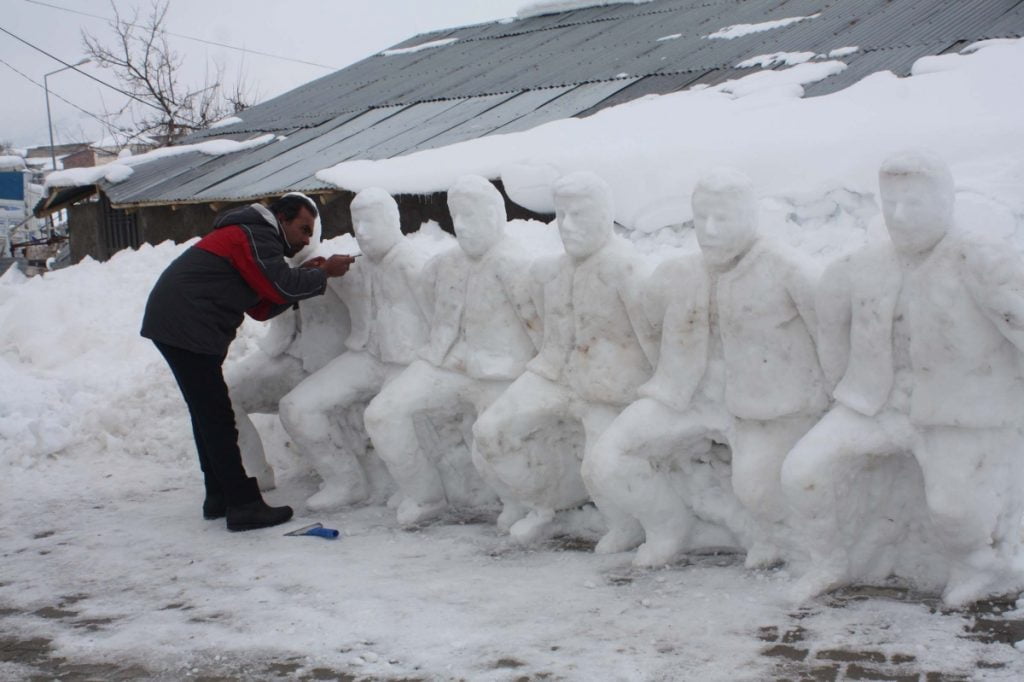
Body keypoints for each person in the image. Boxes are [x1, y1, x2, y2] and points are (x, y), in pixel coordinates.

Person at [781, 150, 1024, 605]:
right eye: (890, 203)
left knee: (953, 508)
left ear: (945, 201)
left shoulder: (981, 259)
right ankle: (828, 562)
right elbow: (831, 325)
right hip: (878, 404)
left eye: (914, 203)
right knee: (803, 471)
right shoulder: (867, 263)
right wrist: (842, 388)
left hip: (957, 412)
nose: (899, 216)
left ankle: (980, 568)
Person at [585, 168, 827, 567]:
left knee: (757, 489)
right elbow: (644, 323)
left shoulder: (791, 271)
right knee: (607, 458)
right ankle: (670, 527)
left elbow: (831, 334)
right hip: (685, 395)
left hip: (766, 407)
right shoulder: (675, 274)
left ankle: (779, 540)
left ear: (749, 217)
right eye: (701, 219)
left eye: (723, 218)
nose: (709, 230)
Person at [141, 193, 354, 531]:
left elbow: (262, 304)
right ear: (281, 219)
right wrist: (325, 272)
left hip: (178, 321)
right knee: (216, 415)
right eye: (303, 229)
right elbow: (279, 286)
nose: (305, 240)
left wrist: (310, 277)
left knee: (208, 412)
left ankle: (219, 496)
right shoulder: (255, 234)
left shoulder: (252, 237)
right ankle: (243, 504)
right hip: (185, 321)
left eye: (311, 233)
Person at [472, 171, 657, 544]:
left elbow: (653, 338)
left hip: (609, 388)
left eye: (580, 215)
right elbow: (541, 327)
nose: (567, 227)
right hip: (555, 374)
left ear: (604, 215)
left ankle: (627, 525)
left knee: (599, 467)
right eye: (562, 215)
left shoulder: (627, 269)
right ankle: (544, 506)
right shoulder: (549, 271)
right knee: (490, 431)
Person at [363, 175, 542, 527]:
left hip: (499, 371)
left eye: (471, 216)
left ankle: (523, 503)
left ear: (495, 215)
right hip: (444, 363)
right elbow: (427, 305)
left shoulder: (515, 264)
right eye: (456, 216)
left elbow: (539, 327)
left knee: (489, 441)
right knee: (382, 413)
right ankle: (425, 495)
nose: (461, 226)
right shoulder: (444, 264)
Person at [278, 187, 431, 512]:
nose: (361, 231)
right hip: (366, 357)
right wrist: (318, 269)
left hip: (406, 363)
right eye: (356, 223)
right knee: (297, 406)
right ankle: (344, 481)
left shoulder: (413, 265)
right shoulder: (354, 266)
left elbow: (441, 320)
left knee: (385, 416)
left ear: (393, 221)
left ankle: (422, 491)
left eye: (370, 222)